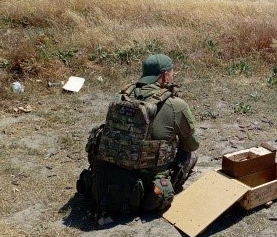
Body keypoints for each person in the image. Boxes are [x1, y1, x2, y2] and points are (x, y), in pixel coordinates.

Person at [78, 54, 200, 217]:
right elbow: (192, 144)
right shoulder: (175, 104)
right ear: (164, 76)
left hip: (107, 177)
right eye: (171, 72)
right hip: (148, 185)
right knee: (190, 154)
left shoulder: (121, 97)